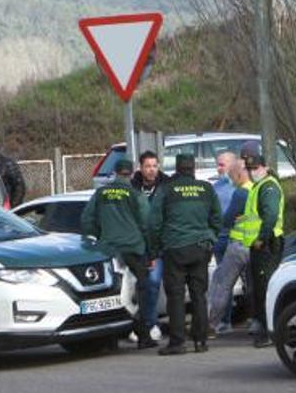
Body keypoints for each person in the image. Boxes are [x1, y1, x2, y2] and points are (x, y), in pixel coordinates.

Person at [80, 158, 157, 349]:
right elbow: (147, 225)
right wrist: (151, 252)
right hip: (134, 249)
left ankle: (110, 336)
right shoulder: (135, 194)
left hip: (109, 251)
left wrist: (100, 238)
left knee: (109, 292)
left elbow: (87, 220)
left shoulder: (100, 193)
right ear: (131, 174)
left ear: (114, 173)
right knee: (142, 292)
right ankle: (144, 335)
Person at [149, 154, 221, 355]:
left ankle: (177, 342)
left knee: (176, 297)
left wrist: (155, 249)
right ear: (194, 168)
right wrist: (211, 238)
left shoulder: (166, 190)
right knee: (199, 295)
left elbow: (154, 223)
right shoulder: (206, 189)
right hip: (200, 248)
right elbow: (217, 217)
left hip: (175, 249)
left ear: (177, 169)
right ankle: (201, 341)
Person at [236, 140, 285, 348]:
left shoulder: (268, 187)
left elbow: (271, 215)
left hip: (266, 245)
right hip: (260, 245)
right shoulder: (259, 186)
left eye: (255, 168)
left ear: (264, 167)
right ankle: (264, 330)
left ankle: (266, 333)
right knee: (259, 289)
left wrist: (261, 240)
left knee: (265, 289)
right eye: (249, 169)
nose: (252, 171)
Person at [207, 156, 251, 338]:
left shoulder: (240, 192)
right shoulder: (259, 188)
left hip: (238, 244)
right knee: (253, 285)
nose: (231, 179)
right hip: (255, 245)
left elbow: (227, 219)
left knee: (222, 283)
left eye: (233, 175)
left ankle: (212, 324)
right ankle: (258, 322)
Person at [129, 150, 168, 343]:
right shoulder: (132, 188)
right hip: (138, 246)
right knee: (144, 286)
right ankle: (145, 324)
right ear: (140, 168)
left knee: (153, 283)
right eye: (148, 166)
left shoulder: (166, 186)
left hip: (161, 246)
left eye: (154, 166)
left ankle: (150, 324)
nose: (152, 170)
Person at [210, 151, 240, 333]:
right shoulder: (214, 188)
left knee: (250, 282)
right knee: (224, 283)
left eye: (222, 164)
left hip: (239, 240)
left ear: (233, 165)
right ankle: (224, 321)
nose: (219, 168)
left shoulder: (241, 187)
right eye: (218, 164)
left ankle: (256, 319)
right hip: (220, 240)